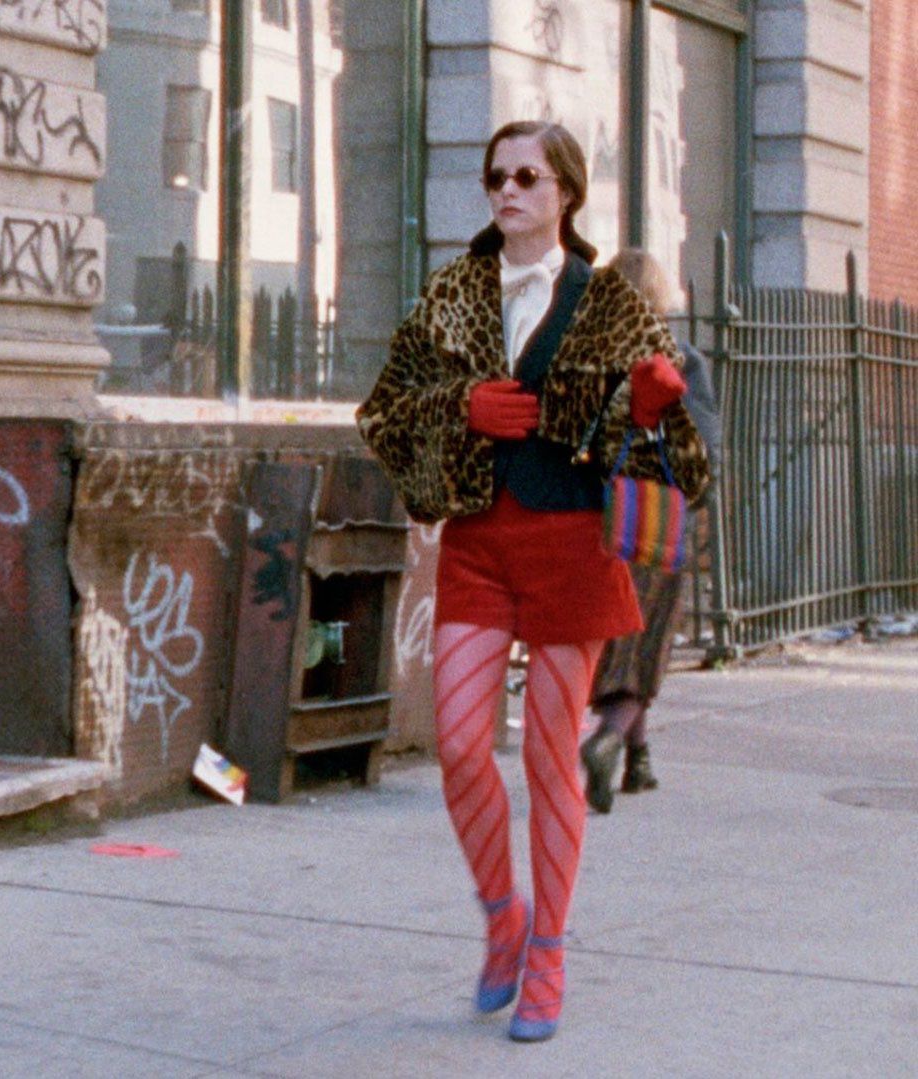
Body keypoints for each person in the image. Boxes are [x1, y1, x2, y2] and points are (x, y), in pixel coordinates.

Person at [356, 122, 710, 1043]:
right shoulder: (454, 293)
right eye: (495, 178)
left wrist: (646, 408)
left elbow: (683, 455)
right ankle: (502, 915)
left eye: (526, 176)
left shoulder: (610, 302)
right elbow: (383, 412)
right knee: (460, 742)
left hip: (571, 545)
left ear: (566, 193)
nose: (507, 191)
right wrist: (460, 405)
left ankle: (547, 952)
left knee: (552, 757)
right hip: (479, 543)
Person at [581, 248, 722, 813]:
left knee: (615, 643)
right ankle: (610, 738)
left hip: (598, 521)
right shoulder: (682, 361)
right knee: (648, 643)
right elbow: (703, 452)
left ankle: (637, 761)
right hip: (658, 523)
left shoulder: (589, 358)